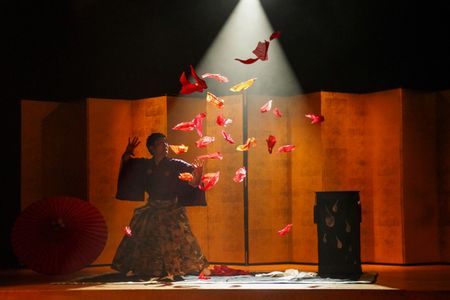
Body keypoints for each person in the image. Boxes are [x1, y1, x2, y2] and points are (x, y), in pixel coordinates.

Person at [111, 133, 210, 281]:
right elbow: (127, 164)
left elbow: (193, 184)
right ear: (152, 148)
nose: (165, 146)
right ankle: (144, 268)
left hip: (171, 210)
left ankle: (175, 270)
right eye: (160, 144)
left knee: (177, 240)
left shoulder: (177, 165)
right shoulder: (145, 165)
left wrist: (197, 174)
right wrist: (127, 152)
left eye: (165, 143)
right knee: (144, 239)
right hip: (152, 208)